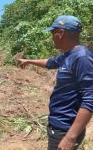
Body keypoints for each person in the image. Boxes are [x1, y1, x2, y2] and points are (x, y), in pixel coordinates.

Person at [17, 15, 93, 150]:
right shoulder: (67, 55)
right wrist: (28, 61)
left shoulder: (82, 58)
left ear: (61, 33)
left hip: (65, 128)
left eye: (53, 32)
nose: (51, 37)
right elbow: (50, 62)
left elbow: (90, 98)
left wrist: (70, 137)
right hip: (58, 125)